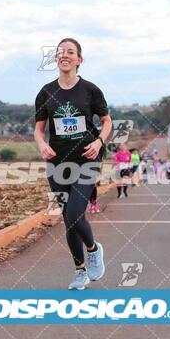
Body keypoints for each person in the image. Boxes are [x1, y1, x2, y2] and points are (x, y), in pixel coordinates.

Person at [35, 37, 111, 289]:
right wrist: (42, 145)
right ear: (56, 59)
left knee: (75, 211)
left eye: (70, 52)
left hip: (87, 158)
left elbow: (106, 121)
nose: (64, 55)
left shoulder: (90, 90)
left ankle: (92, 249)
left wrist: (99, 141)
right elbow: (39, 130)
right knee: (69, 219)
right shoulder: (46, 92)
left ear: (79, 60)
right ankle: (80, 271)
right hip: (58, 162)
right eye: (60, 52)